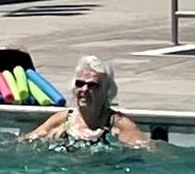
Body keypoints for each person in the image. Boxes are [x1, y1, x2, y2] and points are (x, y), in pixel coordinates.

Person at [21, 55, 150, 148]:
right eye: (80, 84)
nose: (84, 89)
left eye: (92, 85)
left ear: (106, 91)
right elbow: (26, 142)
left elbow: (145, 149)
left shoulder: (119, 124)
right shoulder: (63, 120)